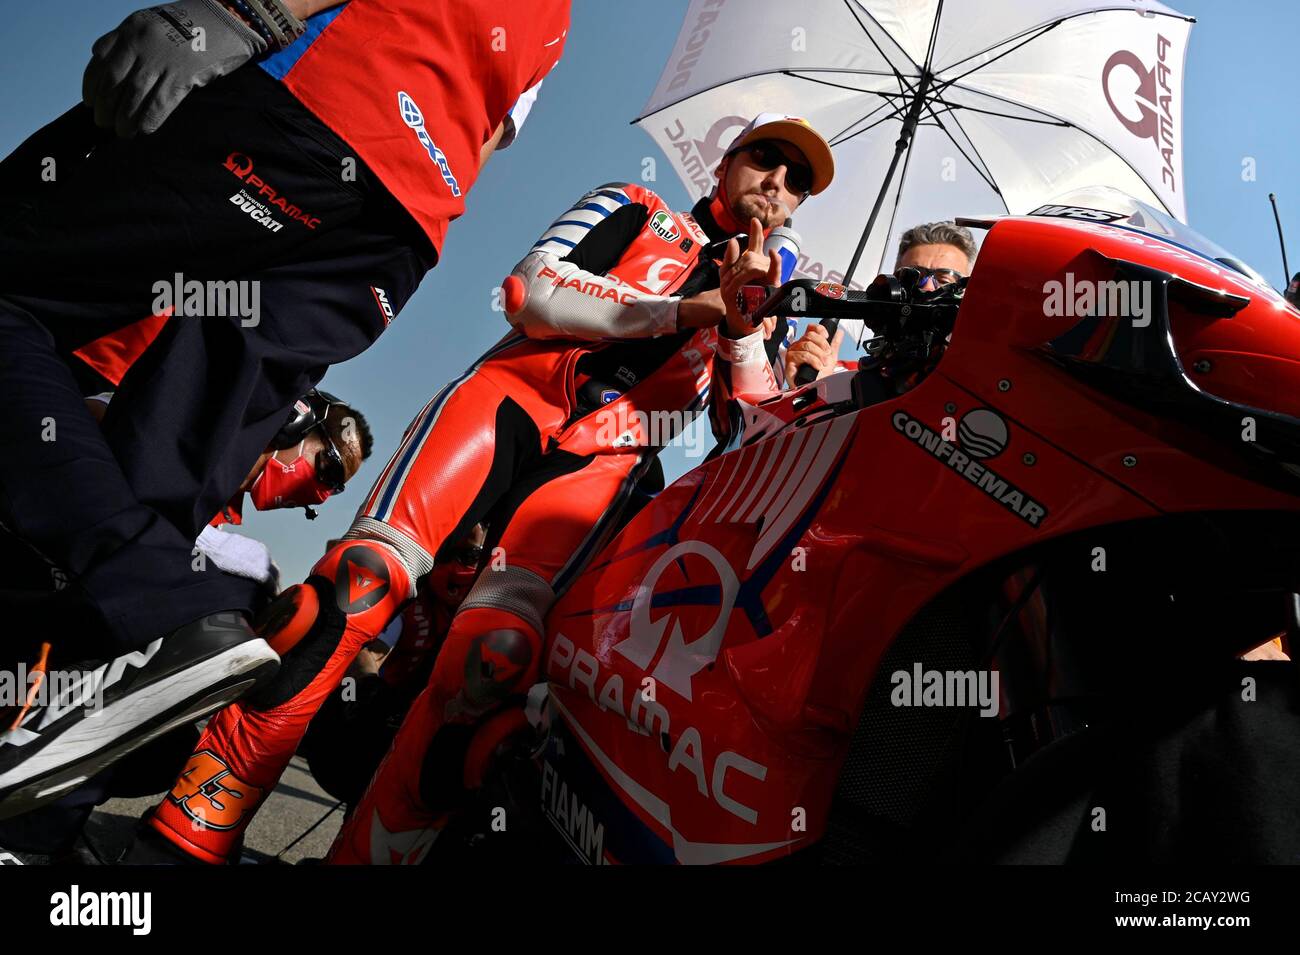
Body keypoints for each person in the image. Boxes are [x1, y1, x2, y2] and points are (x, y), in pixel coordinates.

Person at [132, 112, 835, 865]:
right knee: (358, 584)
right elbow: (531, 290)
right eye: (768, 160)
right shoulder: (637, 204)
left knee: (490, 664)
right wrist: (681, 308)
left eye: (797, 183)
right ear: (729, 161)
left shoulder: (767, 303)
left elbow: (747, 432)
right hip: (506, 403)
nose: (778, 185)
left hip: (605, 464)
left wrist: (747, 330)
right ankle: (189, 832)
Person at [0, 0, 571, 813]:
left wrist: (240, 12)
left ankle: (166, 600)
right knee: (153, 479)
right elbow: (488, 134)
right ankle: (43, 816)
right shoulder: (558, 20)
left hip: (314, 109)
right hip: (400, 225)